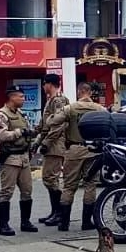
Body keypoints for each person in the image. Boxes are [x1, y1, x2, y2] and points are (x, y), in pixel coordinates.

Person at [57, 82, 107, 231]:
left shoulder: (70, 108)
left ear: (79, 92)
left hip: (74, 149)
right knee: (90, 185)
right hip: (92, 150)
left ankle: (64, 223)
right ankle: (86, 222)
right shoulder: (100, 109)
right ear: (90, 93)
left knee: (69, 186)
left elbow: (52, 121)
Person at [0, 86, 38, 236]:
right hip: (10, 158)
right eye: (21, 97)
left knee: (27, 191)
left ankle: (25, 222)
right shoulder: (1, 115)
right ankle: (3, 225)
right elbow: (2, 135)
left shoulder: (21, 114)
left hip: (24, 157)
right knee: (7, 191)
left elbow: (27, 130)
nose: (23, 99)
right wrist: (20, 132)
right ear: (12, 97)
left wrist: (31, 136)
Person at [35, 75, 70, 226]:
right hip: (50, 142)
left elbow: (59, 125)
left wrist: (46, 143)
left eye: (45, 83)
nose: (43, 87)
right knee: (49, 179)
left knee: (51, 178)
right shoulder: (51, 100)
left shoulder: (59, 100)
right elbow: (44, 126)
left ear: (50, 84)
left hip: (56, 143)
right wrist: (36, 142)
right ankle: (55, 211)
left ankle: (60, 213)